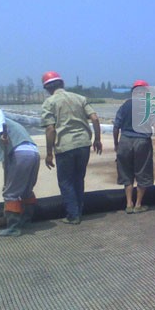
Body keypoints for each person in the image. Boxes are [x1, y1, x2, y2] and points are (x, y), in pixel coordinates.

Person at [40, 71, 102, 224]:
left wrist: (49, 153)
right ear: (62, 84)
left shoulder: (49, 103)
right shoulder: (79, 98)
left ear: (47, 88)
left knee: (66, 181)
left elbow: (50, 129)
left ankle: (73, 216)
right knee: (78, 179)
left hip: (65, 146)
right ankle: (79, 211)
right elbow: (94, 118)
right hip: (83, 144)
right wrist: (97, 139)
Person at [0, 109, 40, 237]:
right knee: (26, 191)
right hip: (34, 154)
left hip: (20, 155)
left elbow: (1, 156)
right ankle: (26, 221)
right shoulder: (10, 124)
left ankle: (13, 227)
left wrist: (8, 181)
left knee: (10, 193)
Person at [113, 80, 155, 214]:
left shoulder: (125, 106)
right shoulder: (149, 106)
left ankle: (129, 204)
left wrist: (116, 144)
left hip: (125, 140)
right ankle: (138, 204)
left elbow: (116, 126)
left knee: (126, 172)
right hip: (142, 142)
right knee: (143, 171)